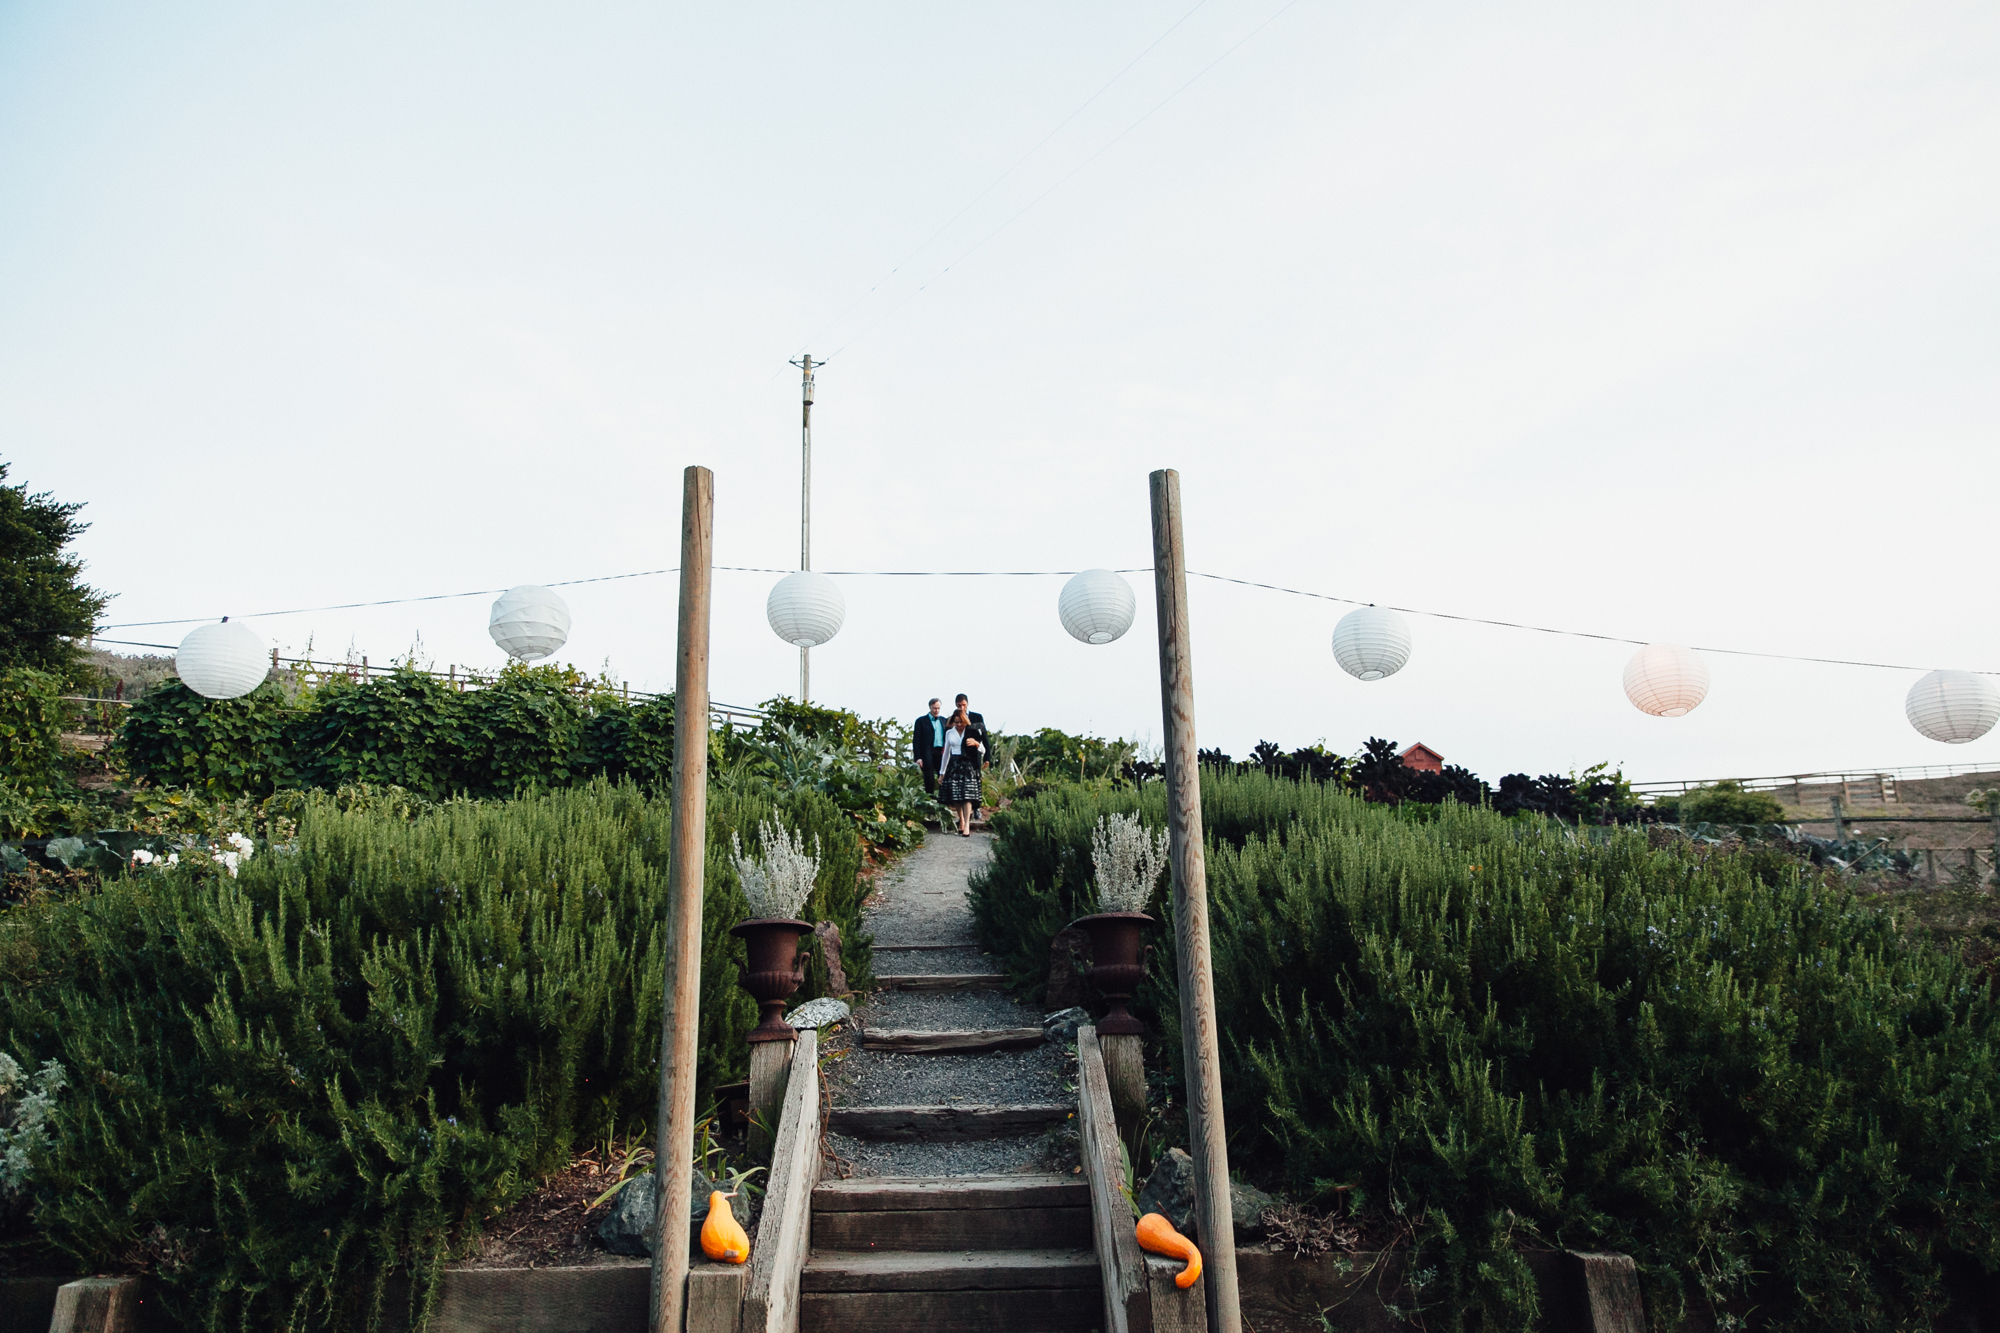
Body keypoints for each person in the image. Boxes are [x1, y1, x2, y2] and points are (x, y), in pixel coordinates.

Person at [938, 702, 985, 836]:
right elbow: (946, 753)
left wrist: (976, 744)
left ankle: (967, 826)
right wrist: (942, 772)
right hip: (954, 764)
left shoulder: (972, 731)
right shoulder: (949, 733)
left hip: (968, 765)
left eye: (961, 722)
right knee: (956, 796)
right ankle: (962, 819)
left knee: (967, 796)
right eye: (956, 722)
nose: (959, 725)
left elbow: (983, 749)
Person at [954, 694, 992, 819]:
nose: (962, 707)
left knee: (976, 781)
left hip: (975, 753)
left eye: (963, 705)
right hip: (959, 756)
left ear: (967, 704)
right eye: (959, 705)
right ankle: (964, 812)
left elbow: (984, 737)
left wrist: (987, 756)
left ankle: (977, 808)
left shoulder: (976, 717)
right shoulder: (954, 718)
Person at [911, 697, 947, 795]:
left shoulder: (944, 721)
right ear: (930, 707)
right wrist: (918, 757)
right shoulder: (921, 721)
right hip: (928, 752)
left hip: (941, 752)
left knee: (943, 776)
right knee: (929, 778)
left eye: (938, 708)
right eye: (935, 708)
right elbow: (916, 741)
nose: (937, 710)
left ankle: (944, 800)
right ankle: (929, 800)